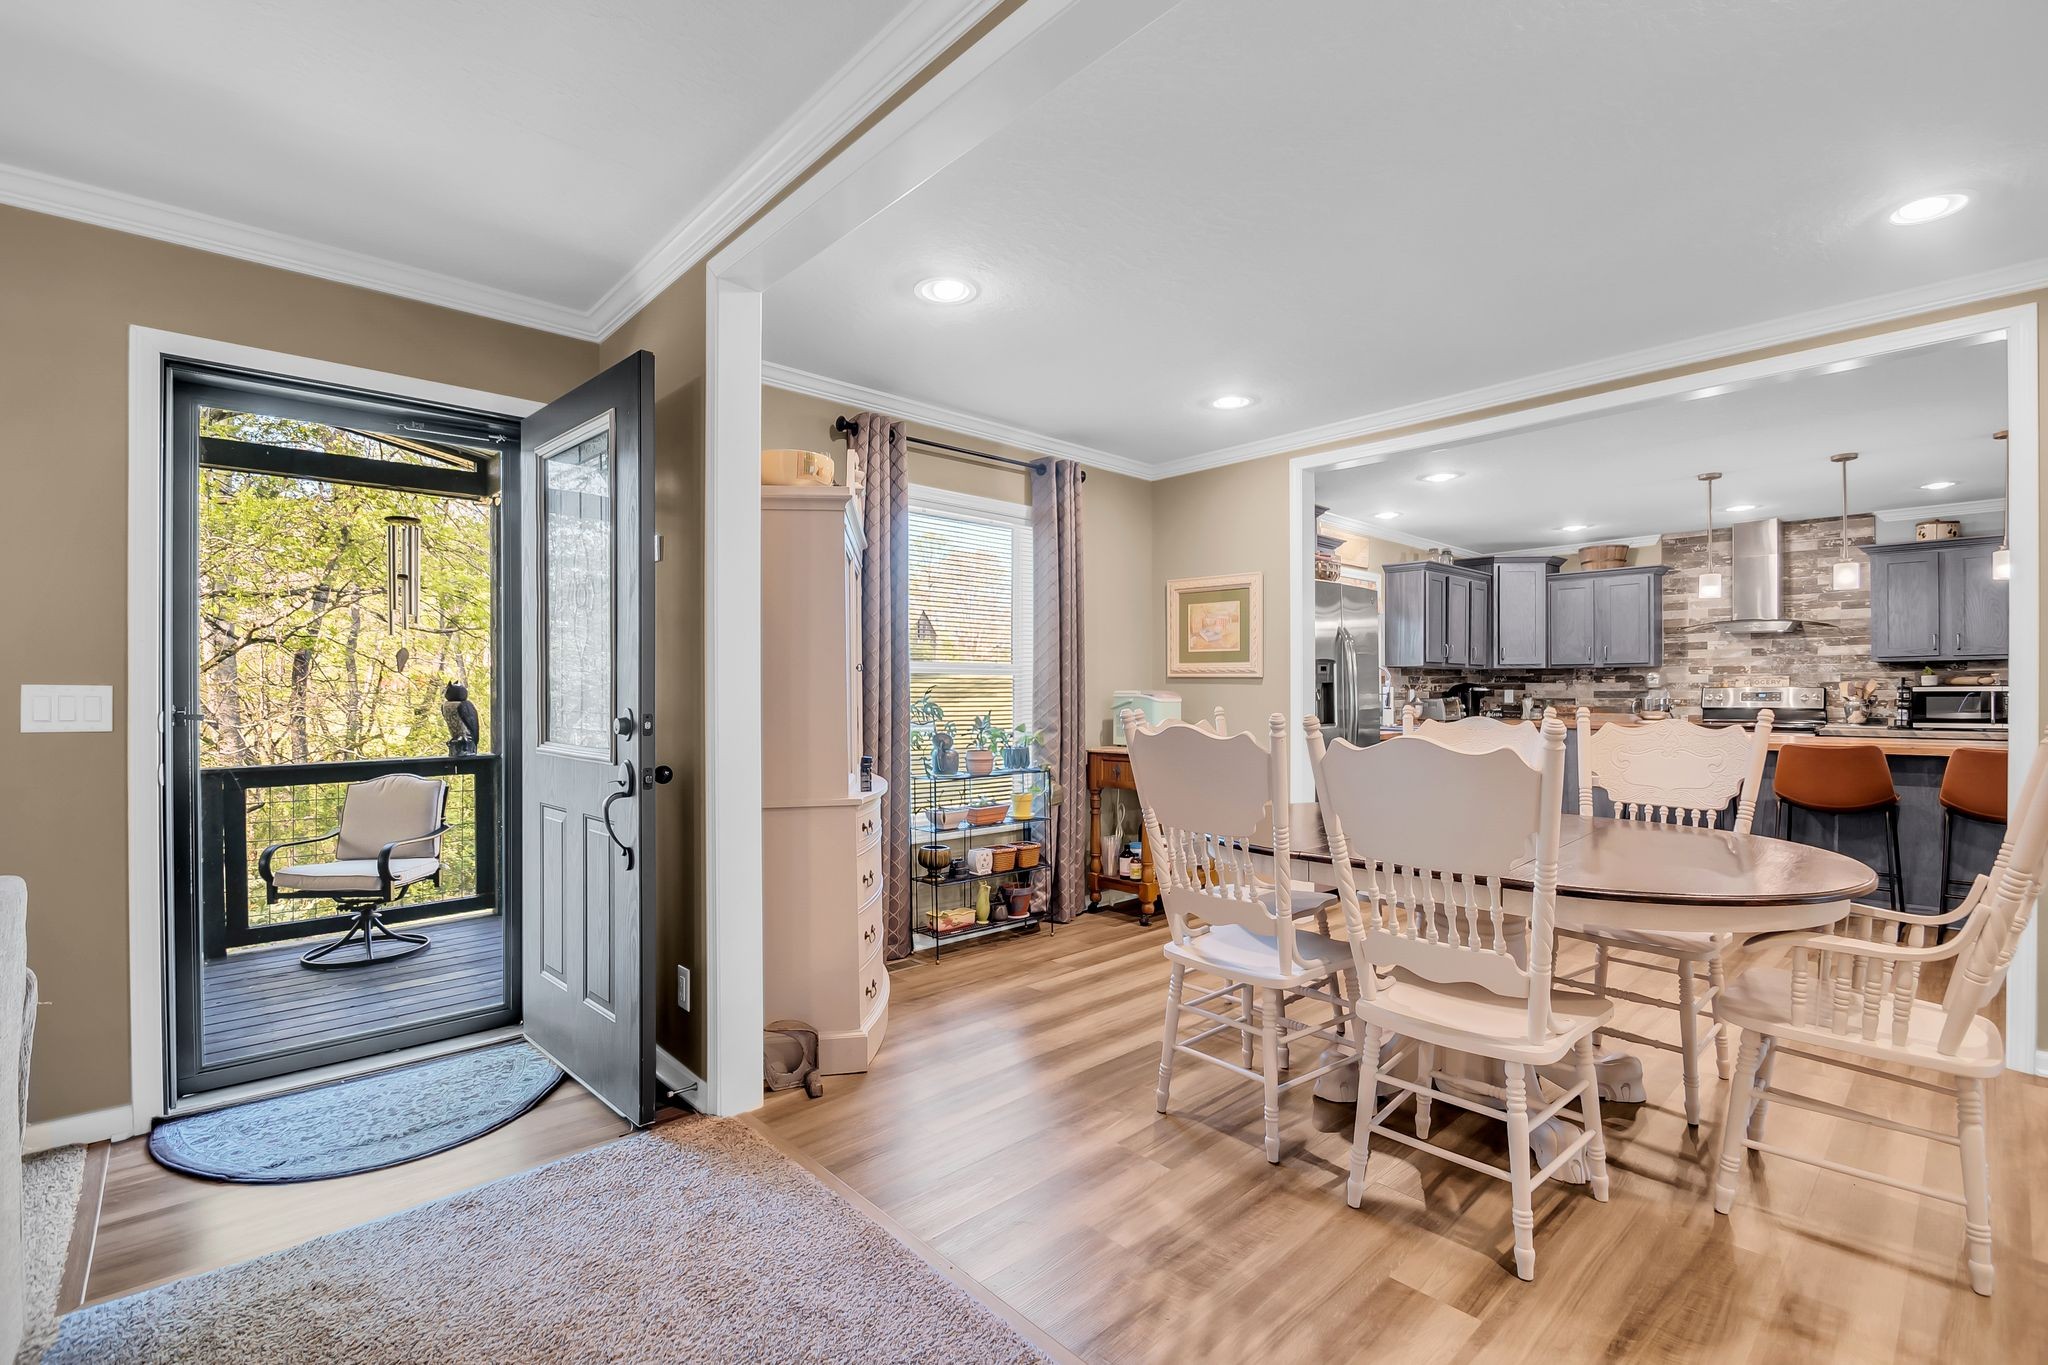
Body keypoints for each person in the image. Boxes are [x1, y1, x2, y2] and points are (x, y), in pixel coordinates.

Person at [441, 681, 478, 756]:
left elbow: (471, 726)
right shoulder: (445, 706)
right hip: (458, 737)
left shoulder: (464, 705)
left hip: (467, 738)